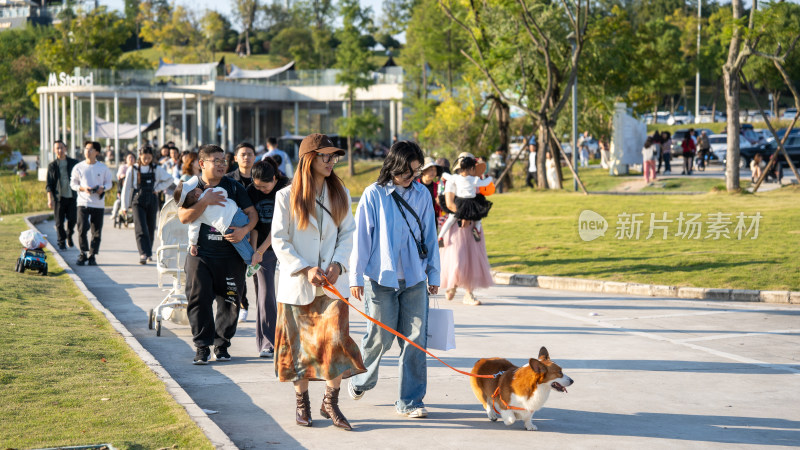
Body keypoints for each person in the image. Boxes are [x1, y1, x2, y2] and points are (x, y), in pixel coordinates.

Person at [271, 133, 365, 430]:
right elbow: (279, 240)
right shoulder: (286, 196)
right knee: (298, 349)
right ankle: (302, 403)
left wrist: (338, 263)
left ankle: (331, 401)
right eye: (325, 156)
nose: (331, 161)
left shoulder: (341, 193)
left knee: (334, 345)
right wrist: (304, 268)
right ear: (308, 159)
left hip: (332, 285)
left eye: (333, 156)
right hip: (298, 285)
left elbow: (349, 233)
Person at [348, 140, 440, 419]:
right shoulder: (373, 194)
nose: (411, 177)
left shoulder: (422, 194)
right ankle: (361, 379)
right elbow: (361, 239)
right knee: (379, 338)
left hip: (414, 279)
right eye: (406, 172)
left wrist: (433, 273)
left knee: (415, 341)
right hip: (380, 280)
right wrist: (356, 276)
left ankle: (410, 401)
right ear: (393, 167)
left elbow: (430, 236)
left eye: (415, 172)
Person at [178, 144, 258, 365]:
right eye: (217, 161)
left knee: (231, 300)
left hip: (230, 256)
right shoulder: (190, 186)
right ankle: (202, 347)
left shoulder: (234, 187)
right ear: (202, 164)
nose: (223, 164)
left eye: (224, 160)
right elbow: (184, 217)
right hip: (200, 254)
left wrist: (244, 230)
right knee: (198, 300)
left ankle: (222, 346)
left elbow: (253, 215)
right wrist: (205, 201)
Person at [247, 158, 289, 358]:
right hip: (264, 246)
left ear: (274, 178)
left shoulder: (286, 189)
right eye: (258, 187)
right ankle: (268, 342)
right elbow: (254, 225)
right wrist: (254, 252)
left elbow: (279, 228)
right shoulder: (251, 190)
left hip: (288, 243)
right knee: (265, 293)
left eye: (265, 186)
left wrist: (260, 251)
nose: (261, 190)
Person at [174, 177, 260, 275]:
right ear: (197, 194)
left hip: (228, 226)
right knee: (244, 236)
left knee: (240, 245)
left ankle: (251, 263)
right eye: (195, 188)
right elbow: (224, 193)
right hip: (239, 215)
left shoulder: (197, 213)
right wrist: (209, 189)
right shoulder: (209, 192)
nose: (199, 187)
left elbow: (193, 229)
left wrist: (192, 244)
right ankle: (249, 240)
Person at [121, 146, 175, 264]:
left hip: (152, 199)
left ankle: (148, 251)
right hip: (137, 200)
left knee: (151, 227)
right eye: (144, 157)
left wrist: (158, 188)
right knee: (140, 227)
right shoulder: (133, 169)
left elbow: (170, 179)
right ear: (139, 156)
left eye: (149, 158)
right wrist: (124, 206)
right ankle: (143, 253)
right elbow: (126, 188)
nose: (146, 160)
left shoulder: (156, 168)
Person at [227, 142, 257, 321]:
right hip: (235, 231)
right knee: (236, 272)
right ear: (236, 158)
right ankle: (242, 303)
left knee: (254, 270)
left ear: (255, 157)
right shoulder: (229, 180)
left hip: (256, 230)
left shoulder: (260, 177)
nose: (246, 157)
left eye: (250, 154)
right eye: (243, 154)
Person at [70, 141, 113, 266]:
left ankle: (92, 255)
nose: (87, 152)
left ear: (97, 152)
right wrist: (83, 188)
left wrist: (102, 188)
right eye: (86, 149)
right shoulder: (78, 167)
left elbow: (109, 183)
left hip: (98, 203)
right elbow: (73, 184)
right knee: (82, 228)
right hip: (83, 202)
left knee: (97, 231)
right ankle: (83, 253)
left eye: (90, 150)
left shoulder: (103, 168)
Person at [437, 156, 493, 245]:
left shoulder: (455, 177)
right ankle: (477, 229)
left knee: (451, 219)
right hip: (471, 202)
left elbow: (447, 176)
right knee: (478, 216)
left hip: (459, 202)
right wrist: (490, 178)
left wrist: (443, 175)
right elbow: (484, 183)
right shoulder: (474, 179)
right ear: (471, 168)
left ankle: (440, 236)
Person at [46, 140, 79, 250]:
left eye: (61, 147)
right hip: (58, 198)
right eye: (57, 148)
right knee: (59, 222)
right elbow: (49, 184)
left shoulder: (74, 163)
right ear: (54, 150)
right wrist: (49, 199)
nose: (60, 150)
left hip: (72, 197)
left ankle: (69, 235)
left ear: (65, 148)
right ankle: (61, 242)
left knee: (73, 219)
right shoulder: (52, 166)